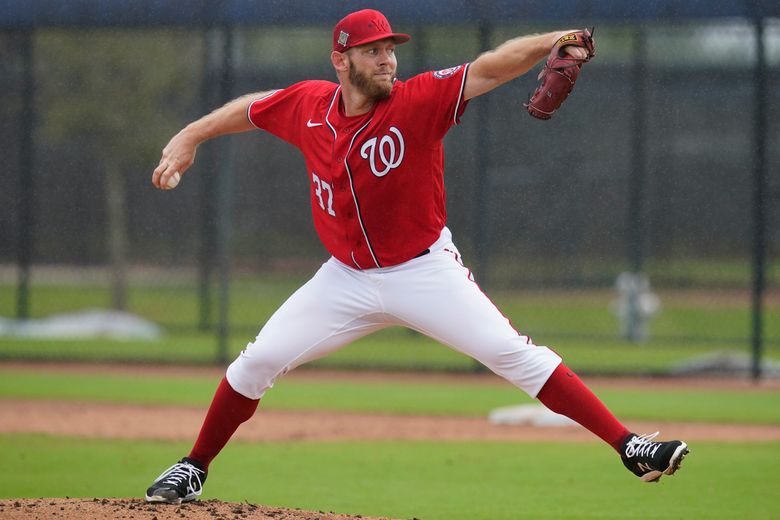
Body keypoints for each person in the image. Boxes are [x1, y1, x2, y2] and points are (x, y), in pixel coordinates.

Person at [145, 9, 689, 505]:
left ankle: (629, 445)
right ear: (342, 60)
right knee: (257, 361)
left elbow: (492, 67)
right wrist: (192, 135)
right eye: (373, 51)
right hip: (345, 279)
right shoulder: (310, 106)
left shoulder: (417, 100)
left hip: (423, 270)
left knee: (511, 352)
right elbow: (253, 109)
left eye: (390, 49)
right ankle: (193, 466)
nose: (388, 59)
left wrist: (555, 39)